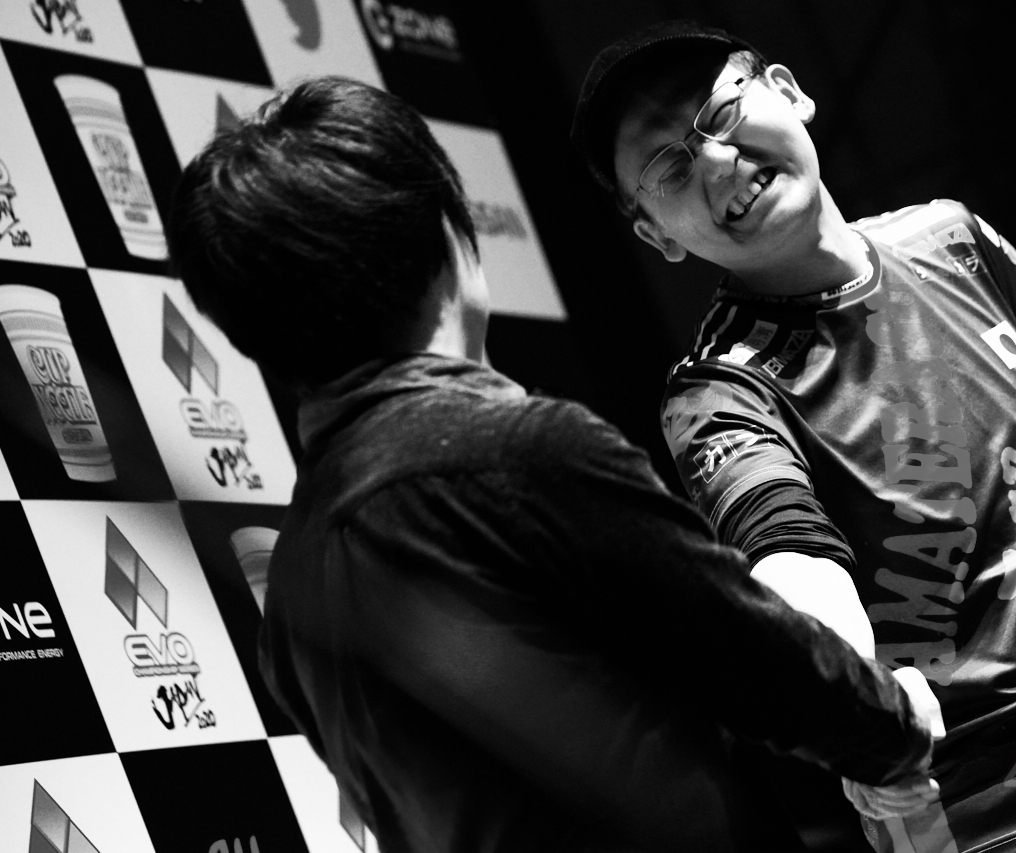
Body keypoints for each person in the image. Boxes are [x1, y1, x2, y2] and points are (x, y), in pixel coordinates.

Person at [165, 76, 942, 853]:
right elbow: (759, 662)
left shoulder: (290, 594)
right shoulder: (511, 454)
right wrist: (893, 724)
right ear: (444, 231)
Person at [570, 20, 1016, 852]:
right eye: (670, 167)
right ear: (656, 234)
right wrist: (856, 702)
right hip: (1008, 819)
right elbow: (792, 561)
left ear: (789, 91)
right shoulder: (721, 389)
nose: (717, 161)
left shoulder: (952, 237)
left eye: (720, 114)